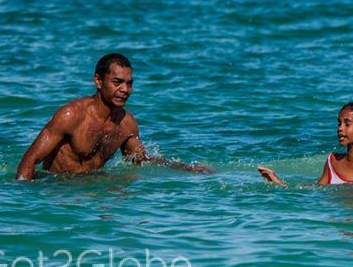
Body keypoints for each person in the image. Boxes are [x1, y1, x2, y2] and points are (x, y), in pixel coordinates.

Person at [15, 53, 211, 180]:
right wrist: (21, 203)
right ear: (98, 81)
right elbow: (29, 161)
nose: (125, 90)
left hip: (94, 192)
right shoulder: (71, 116)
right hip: (57, 192)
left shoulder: (126, 124)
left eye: (129, 83)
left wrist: (186, 169)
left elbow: (141, 160)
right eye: (117, 82)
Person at [258, 102, 353, 186]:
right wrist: (279, 183)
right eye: (339, 123)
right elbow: (315, 189)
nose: (340, 128)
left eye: (347, 124)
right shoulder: (332, 161)